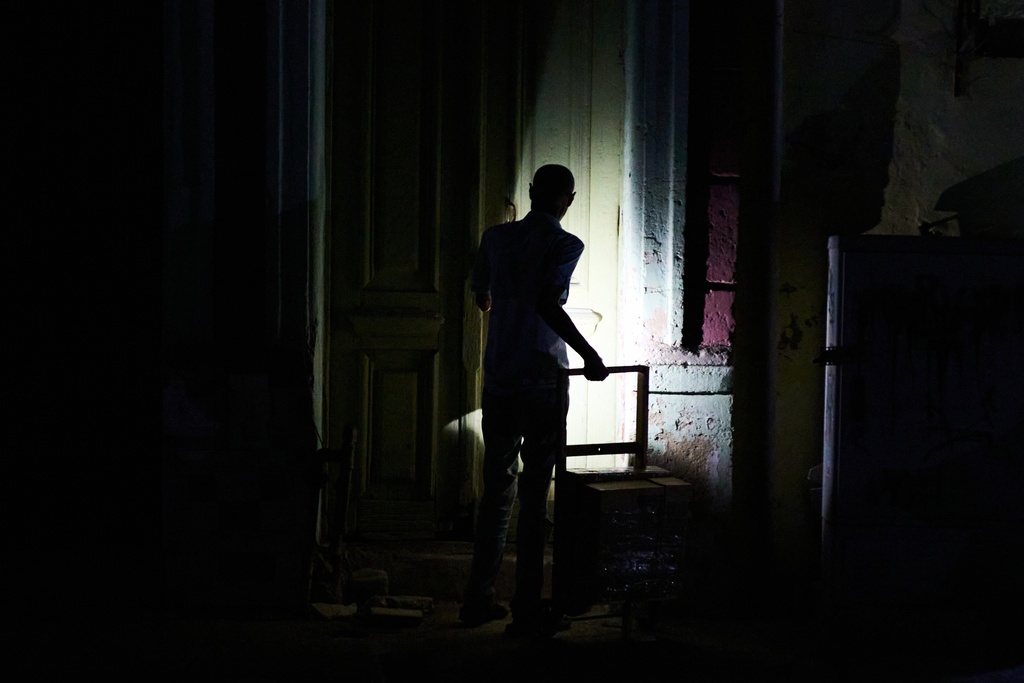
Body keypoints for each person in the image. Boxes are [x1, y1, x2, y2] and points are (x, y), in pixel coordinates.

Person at [459, 164, 609, 637]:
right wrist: (590, 355)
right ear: (568, 199)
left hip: (500, 378)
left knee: (496, 495)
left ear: (528, 194)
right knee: (534, 498)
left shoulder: (495, 238)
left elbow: (480, 295)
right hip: (543, 382)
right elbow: (549, 301)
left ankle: (478, 598)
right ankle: (527, 606)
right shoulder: (565, 244)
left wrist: (504, 303)